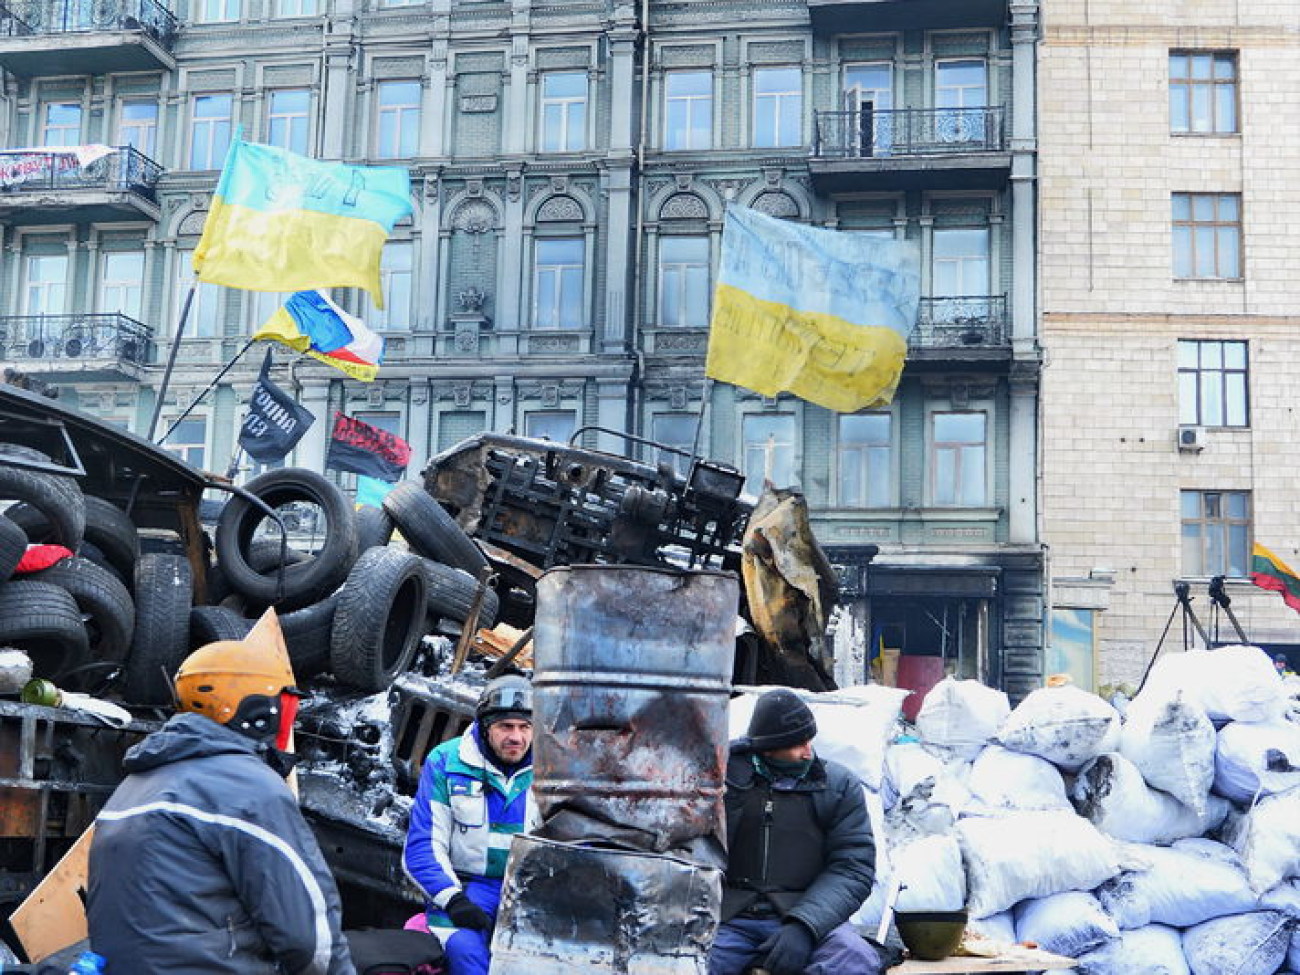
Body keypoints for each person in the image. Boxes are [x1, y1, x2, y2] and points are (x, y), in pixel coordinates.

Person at [85, 608, 355, 974]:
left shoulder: (134, 785)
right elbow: (310, 941)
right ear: (256, 710)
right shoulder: (250, 789)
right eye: (286, 705)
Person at [709, 688, 882, 975]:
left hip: (807, 913)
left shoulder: (837, 786)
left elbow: (853, 868)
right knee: (686, 962)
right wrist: (730, 783)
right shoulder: (726, 782)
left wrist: (804, 926)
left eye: (808, 740)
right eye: (796, 744)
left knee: (854, 959)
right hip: (730, 919)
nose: (808, 753)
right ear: (767, 749)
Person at [403, 673, 539, 975]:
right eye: (505, 726)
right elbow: (422, 847)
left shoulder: (554, 767)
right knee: (466, 954)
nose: (516, 737)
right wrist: (453, 901)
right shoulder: (446, 761)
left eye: (525, 727)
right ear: (485, 727)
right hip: (467, 889)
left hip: (530, 895)